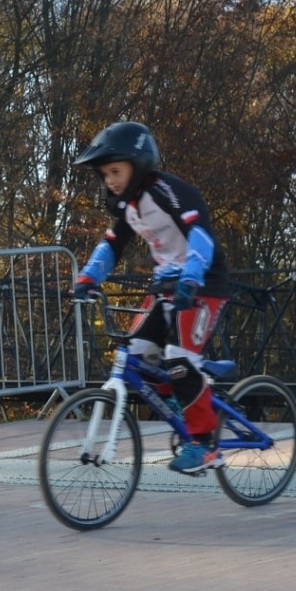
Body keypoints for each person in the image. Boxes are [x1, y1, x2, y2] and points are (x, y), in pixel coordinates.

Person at [70, 121, 233, 475]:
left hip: (203, 284)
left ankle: (204, 445)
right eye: (105, 174)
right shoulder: (129, 206)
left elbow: (200, 236)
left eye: (116, 170)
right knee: (138, 354)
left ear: (137, 163)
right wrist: (87, 277)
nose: (110, 180)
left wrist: (191, 278)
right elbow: (112, 244)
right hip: (165, 288)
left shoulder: (167, 192)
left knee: (179, 359)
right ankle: (186, 399)